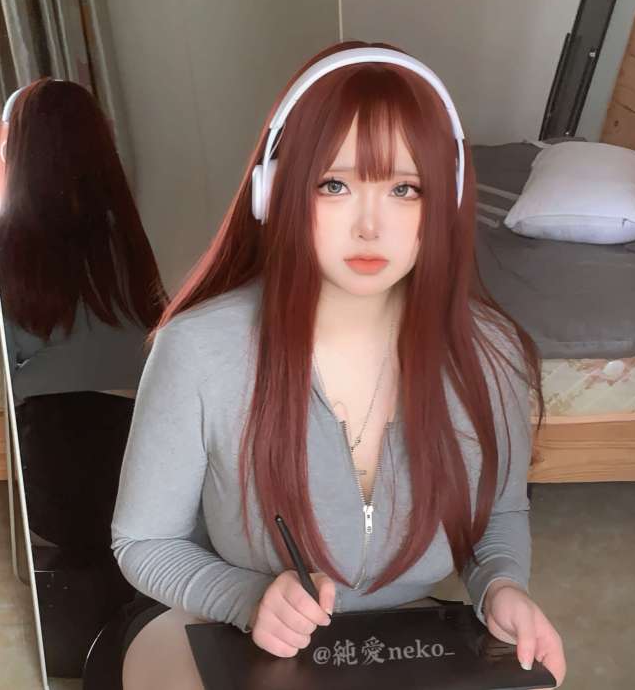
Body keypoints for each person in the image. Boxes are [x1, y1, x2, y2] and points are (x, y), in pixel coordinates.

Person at [112, 41, 566, 689]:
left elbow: (500, 514)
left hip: (400, 644)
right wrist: (248, 598)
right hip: (223, 630)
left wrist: (501, 587)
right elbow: (145, 542)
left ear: (447, 199)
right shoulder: (200, 348)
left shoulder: (490, 355)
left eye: (405, 189)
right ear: (274, 192)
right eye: (335, 185)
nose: (370, 226)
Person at [0, 78, 168, 555]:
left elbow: (0, 369)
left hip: (56, 473)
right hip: (145, 455)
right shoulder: (128, 237)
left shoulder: (5, 244)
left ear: (18, 152)